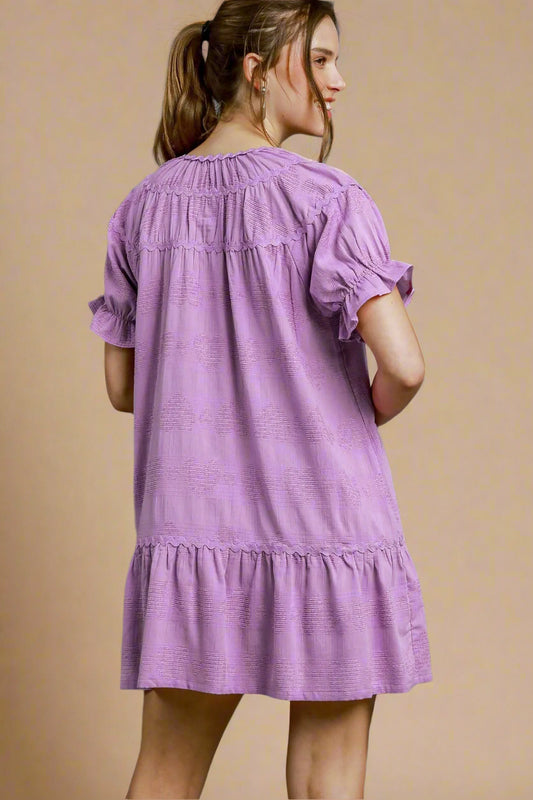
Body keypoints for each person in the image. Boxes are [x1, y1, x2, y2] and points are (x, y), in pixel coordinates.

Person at [87, 1, 433, 798]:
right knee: (325, 786)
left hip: (194, 532)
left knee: (165, 776)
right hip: (325, 525)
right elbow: (405, 367)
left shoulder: (143, 208)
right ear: (256, 67)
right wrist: (352, 410)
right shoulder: (326, 199)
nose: (336, 82)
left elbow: (120, 388)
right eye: (318, 61)